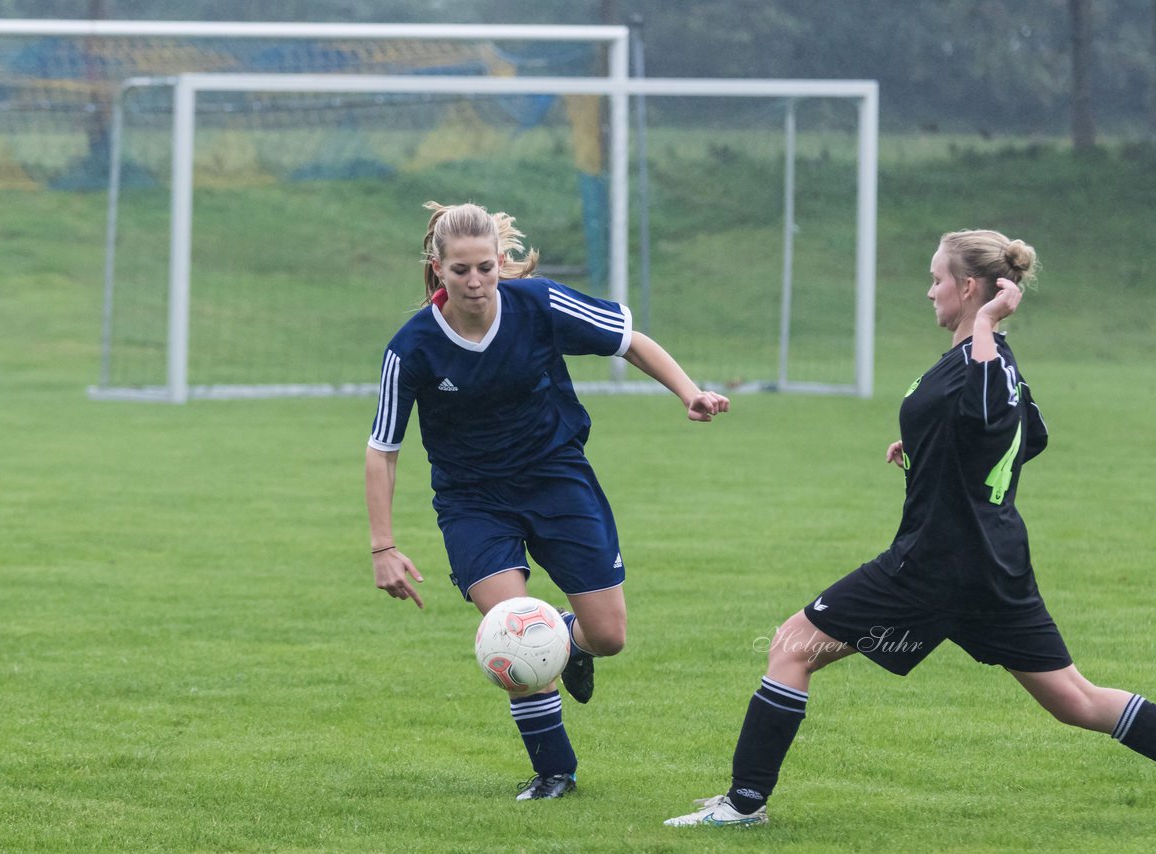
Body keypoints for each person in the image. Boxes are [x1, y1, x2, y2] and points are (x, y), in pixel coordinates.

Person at [664, 229, 1156, 828]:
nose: (929, 291)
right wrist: (930, 447)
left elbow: (985, 413)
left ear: (968, 286)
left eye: (937, 278)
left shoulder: (988, 356)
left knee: (791, 647)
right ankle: (743, 802)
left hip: (934, 563)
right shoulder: (984, 363)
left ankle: (742, 805)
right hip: (992, 565)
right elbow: (1026, 434)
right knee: (1075, 701)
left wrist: (986, 326)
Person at [366, 201, 729, 801]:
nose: (476, 281)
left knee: (608, 635)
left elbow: (629, 340)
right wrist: (383, 545)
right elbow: (383, 448)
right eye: (460, 271)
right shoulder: (412, 348)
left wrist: (689, 392)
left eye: (486, 266)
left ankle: (565, 637)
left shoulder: (539, 304)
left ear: (501, 261)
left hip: (556, 479)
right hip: (473, 501)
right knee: (510, 627)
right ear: (437, 267)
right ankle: (554, 770)